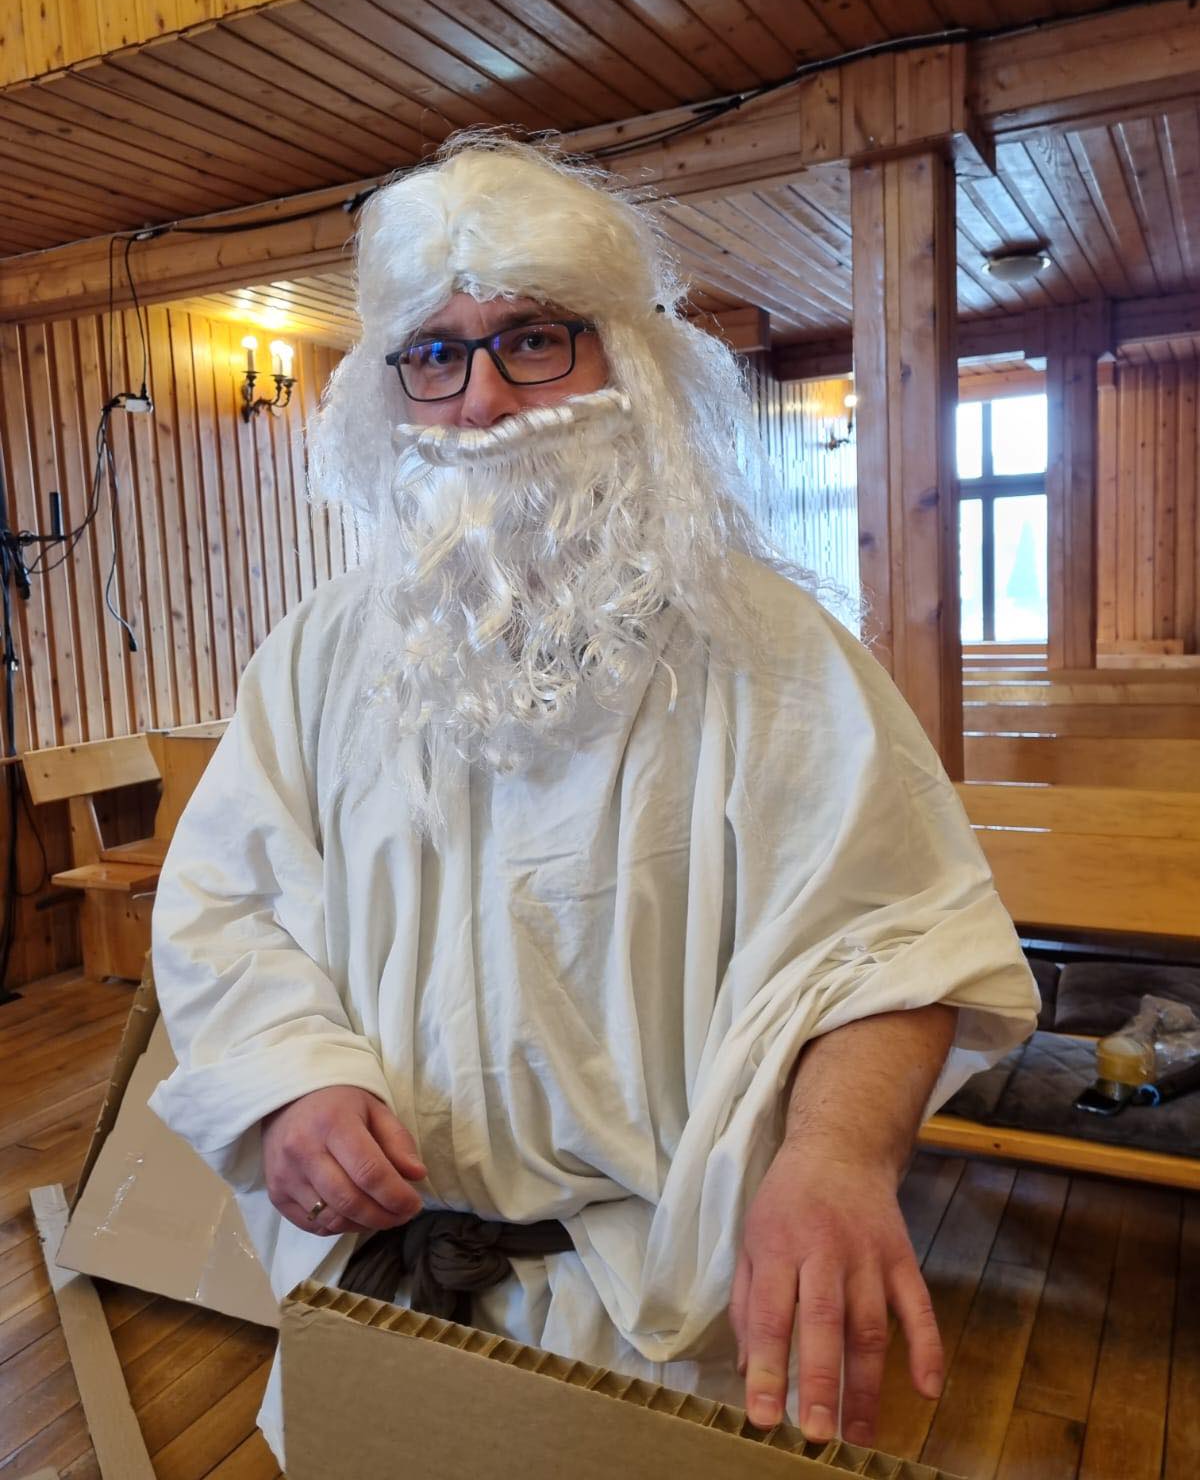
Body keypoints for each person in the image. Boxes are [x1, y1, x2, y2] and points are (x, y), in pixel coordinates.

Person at [148, 134, 1038, 1467]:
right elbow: (229, 905)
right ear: (392, 390)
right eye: (435, 354)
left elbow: (890, 940)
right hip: (373, 1291)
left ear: (629, 358)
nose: (483, 402)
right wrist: (292, 1081)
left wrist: (837, 1157)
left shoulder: (770, 653)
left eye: (533, 340)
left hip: (654, 1323)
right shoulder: (322, 655)